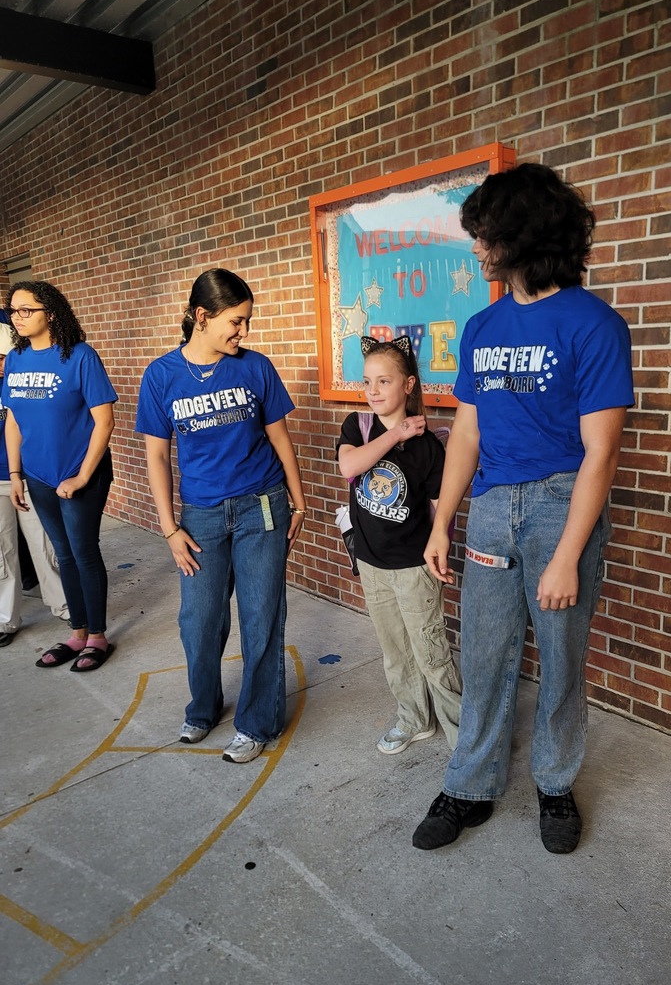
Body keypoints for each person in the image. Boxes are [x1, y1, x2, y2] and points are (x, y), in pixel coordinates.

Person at [411, 163, 634, 854]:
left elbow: (601, 453)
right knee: (483, 652)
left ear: (520, 235)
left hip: (560, 506)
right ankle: (470, 783)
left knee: (562, 657)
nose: (477, 248)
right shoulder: (481, 326)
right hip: (491, 506)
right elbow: (468, 433)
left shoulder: (594, 324)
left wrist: (568, 554)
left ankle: (556, 782)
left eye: (484, 234)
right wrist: (443, 518)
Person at [136, 268, 306, 764]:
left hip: (262, 509)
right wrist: (169, 528)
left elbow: (279, 437)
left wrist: (298, 501)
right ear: (202, 316)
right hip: (201, 518)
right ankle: (203, 707)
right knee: (200, 620)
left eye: (247, 322)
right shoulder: (161, 375)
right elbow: (156, 457)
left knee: (261, 618)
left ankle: (256, 723)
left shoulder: (255, 368)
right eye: (237, 321)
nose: (244, 333)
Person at [337, 335, 462, 755]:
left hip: (413, 568)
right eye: (368, 381)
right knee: (395, 654)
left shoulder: (428, 447)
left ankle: (464, 737)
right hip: (372, 563)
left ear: (408, 386)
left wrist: (441, 549)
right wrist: (396, 433)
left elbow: (438, 509)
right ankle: (414, 719)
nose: (372, 391)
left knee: (431, 654)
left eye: (384, 381)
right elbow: (350, 466)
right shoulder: (358, 426)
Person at [3, 282, 117, 671]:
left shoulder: (80, 356)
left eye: (25, 310)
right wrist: (16, 473)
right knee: (63, 553)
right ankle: (78, 632)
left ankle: (98, 635)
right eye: (12, 311)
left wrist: (83, 477)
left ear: (50, 313)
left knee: (84, 553)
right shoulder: (16, 359)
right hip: (37, 475)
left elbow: (105, 422)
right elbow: (13, 420)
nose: (16, 318)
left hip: (78, 473)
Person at [0, 322, 69, 644]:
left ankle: (66, 606)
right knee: (2, 550)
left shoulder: (22, 378)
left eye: (3, 357)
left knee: (44, 544)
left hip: (29, 473)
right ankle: (5, 620)